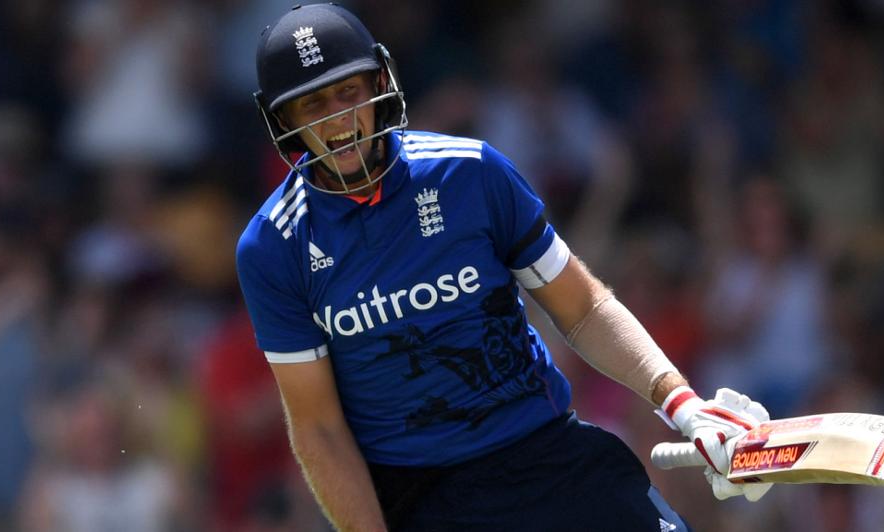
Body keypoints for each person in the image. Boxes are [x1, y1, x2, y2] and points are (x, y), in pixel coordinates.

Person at [236, 4, 772, 530]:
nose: (337, 120)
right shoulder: (272, 247)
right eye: (312, 106)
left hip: (547, 453)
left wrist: (683, 406)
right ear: (283, 120)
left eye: (347, 92)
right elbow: (319, 427)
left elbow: (582, 308)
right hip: (423, 497)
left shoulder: (471, 174)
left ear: (379, 83)